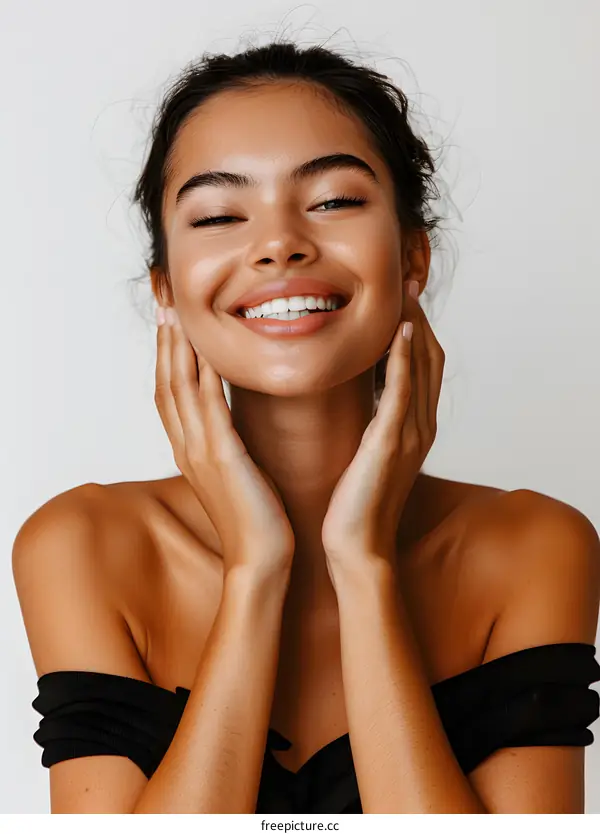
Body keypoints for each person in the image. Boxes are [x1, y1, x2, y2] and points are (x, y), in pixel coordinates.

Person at [12, 39, 600, 815]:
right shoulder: (81, 545)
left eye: (333, 200)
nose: (279, 243)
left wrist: (363, 565)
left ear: (413, 257)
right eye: (220, 213)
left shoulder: (533, 545)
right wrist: (256, 569)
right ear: (166, 288)